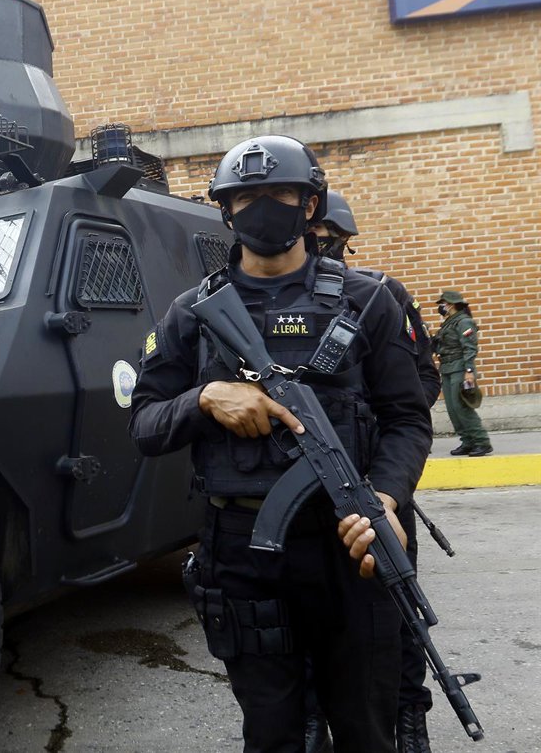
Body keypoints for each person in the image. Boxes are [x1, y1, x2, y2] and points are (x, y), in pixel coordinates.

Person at [130, 135, 431, 752]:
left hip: (350, 540)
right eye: (245, 198)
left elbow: (406, 418)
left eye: (280, 194)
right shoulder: (192, 314)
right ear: (226, 211)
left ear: (310, 205)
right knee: (271, 733)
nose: (262, 208)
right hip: (243, 550)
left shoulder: (368, 300)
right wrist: (205, 398)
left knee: (367, 729)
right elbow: (145, 423)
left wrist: (386, 501)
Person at [307, 190, 440, 753]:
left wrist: (381, 449)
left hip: (374, 485)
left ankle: (409, 716)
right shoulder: (263, 299)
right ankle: (312, 719)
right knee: (306, 618)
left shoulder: (379, 295)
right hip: (305, 488)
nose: (320, 248)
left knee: (396, 613)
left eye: (329, 240)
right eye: (313, 239)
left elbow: (422, 383)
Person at [433, 291, 492, 457]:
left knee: (462, 406)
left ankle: (482, 442)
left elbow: (470, 348)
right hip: (447, 368)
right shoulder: (449, 322)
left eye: (443, 303)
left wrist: (469, 371)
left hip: (460, 368)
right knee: (453, 409)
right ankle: (467, 441)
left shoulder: (464, 322)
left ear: (451, 304)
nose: (441, 307)